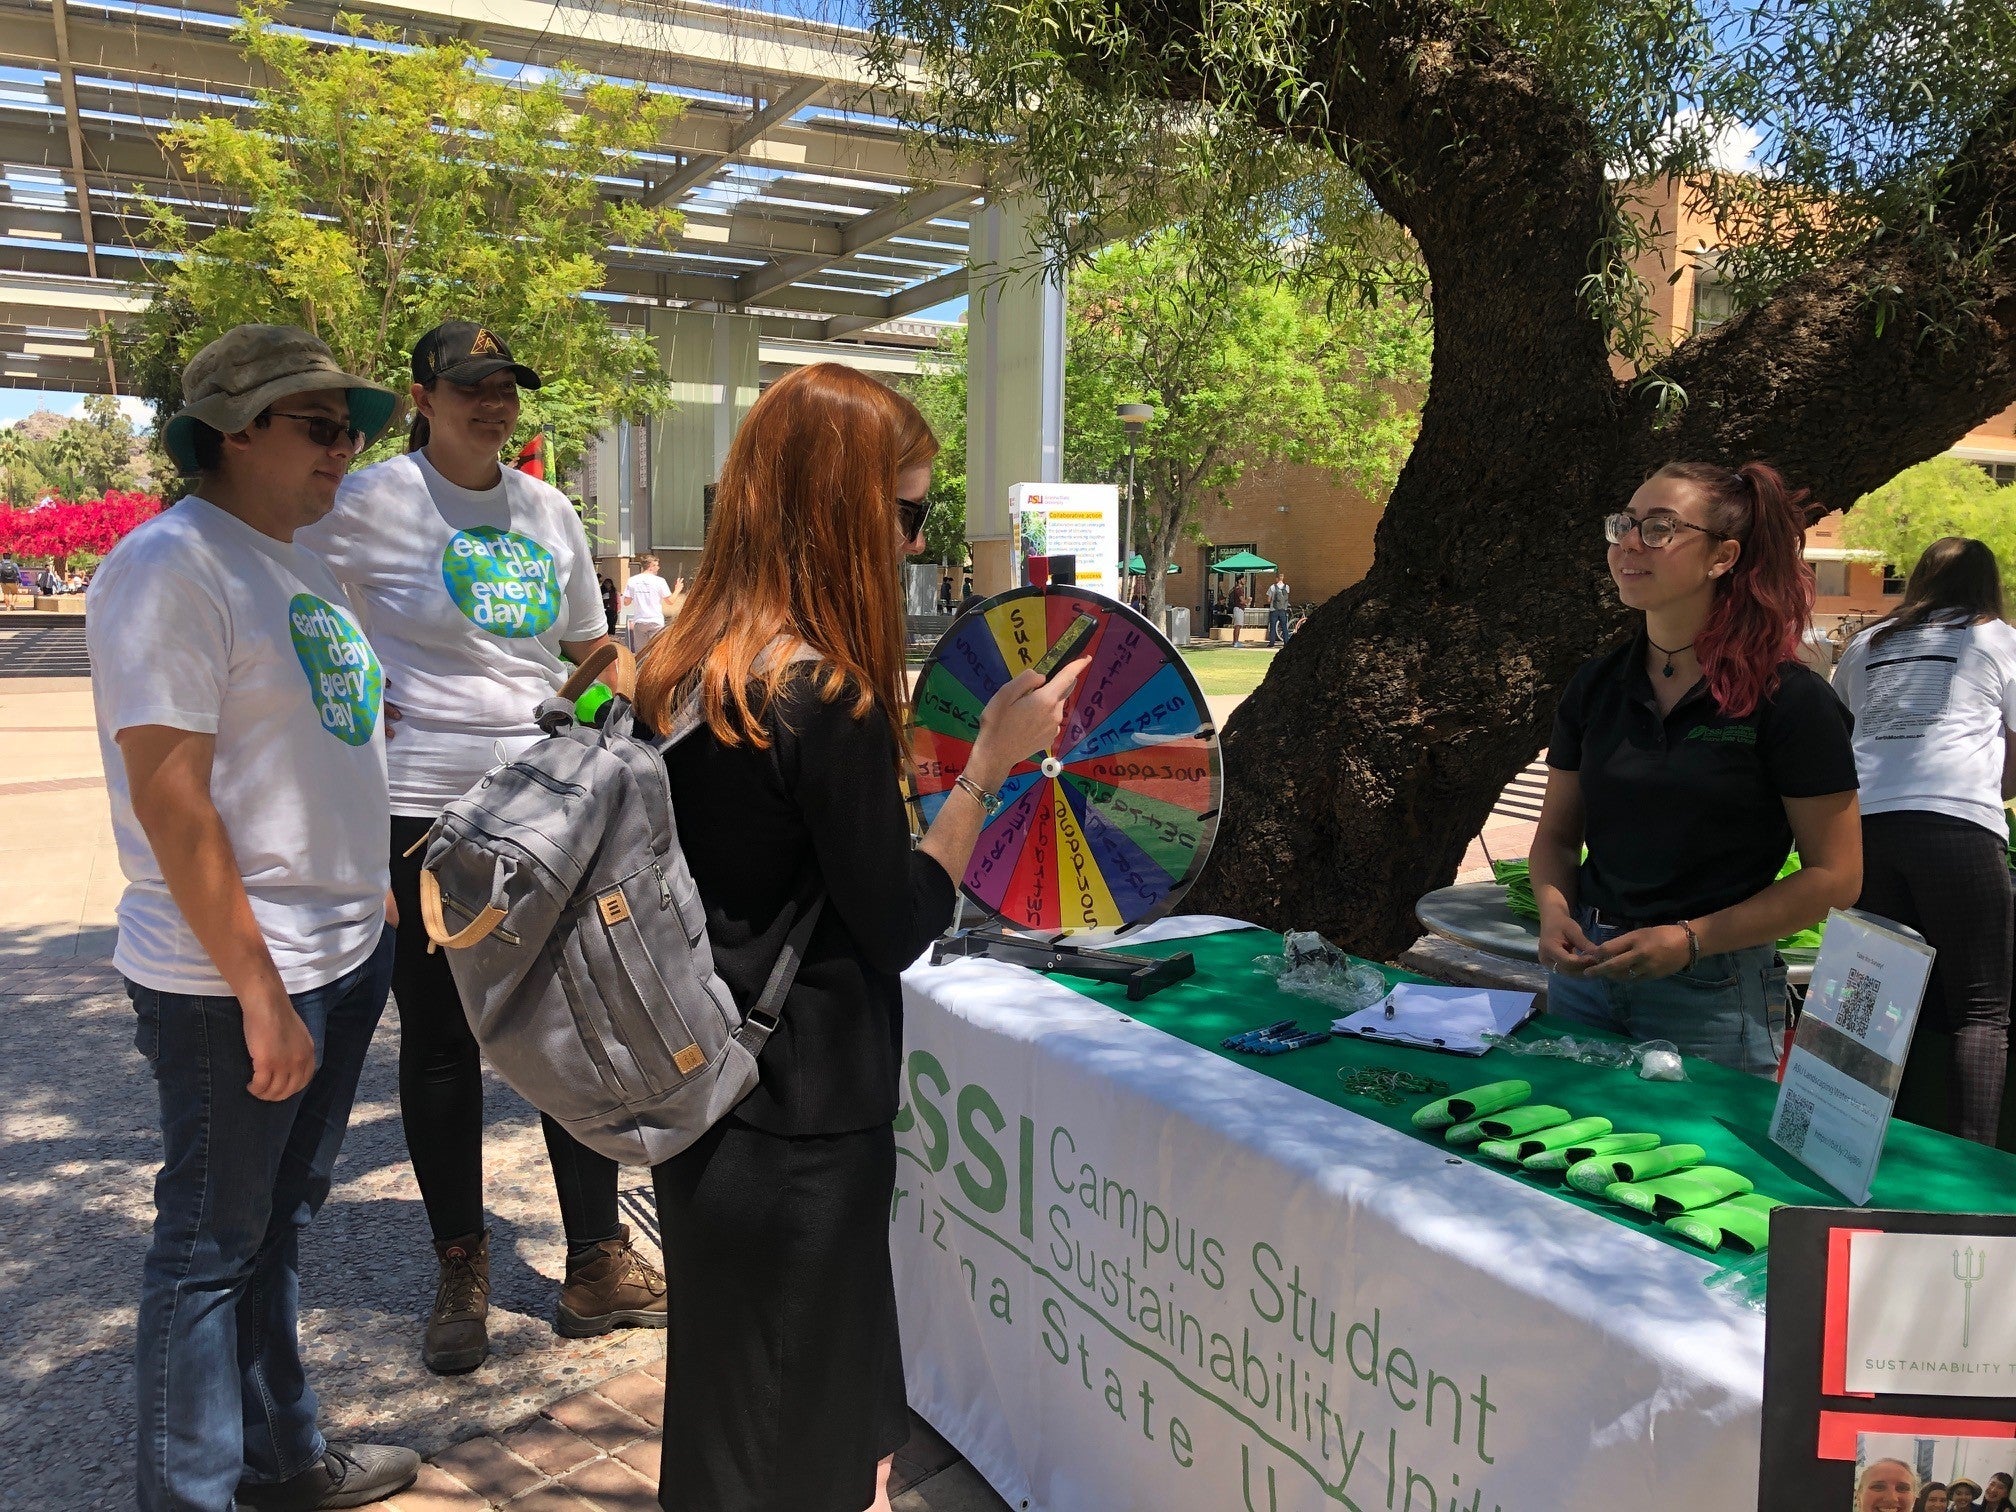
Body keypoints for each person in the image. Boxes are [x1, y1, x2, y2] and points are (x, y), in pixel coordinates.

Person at [634, 362, 1088, 1512]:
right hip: (803, 1122)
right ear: (840, 509)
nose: (915, 540)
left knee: (728, 1419)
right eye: (908, 511)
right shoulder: (821, 696)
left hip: (705, 1095)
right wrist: (987, 767)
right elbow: (898, 922)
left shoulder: (688, 668)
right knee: (800, 1444)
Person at [89, 325, 420, 1510]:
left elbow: (321, 742)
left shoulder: (298, 561)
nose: (348, 452)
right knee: (207, 1252)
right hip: (237, 978)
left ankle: (284, 1459)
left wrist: (360, 888)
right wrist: (261, 990)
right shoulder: (170, 565)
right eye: (321, 427)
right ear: (233, 431)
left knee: (275, 1227)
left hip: (337, 949)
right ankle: (189, 1495)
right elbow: (173, 801)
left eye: (356, 430)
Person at [297, 321, 661, 1375]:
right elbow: (307, 619)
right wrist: (360, 707)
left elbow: (596, 650)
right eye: (471, 386)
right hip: (421, 811)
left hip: (546, 808)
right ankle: (462, 1264)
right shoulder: (368, 504)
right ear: (422, 395)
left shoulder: (547, 510)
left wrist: (583, 715)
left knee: (573, 1025)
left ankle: (596, 1262)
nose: (493, 403)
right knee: (446, 1041)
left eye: (506, 387)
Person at [1531, 462, 1862, 1076]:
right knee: (1556, 1154)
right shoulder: (1596, 685)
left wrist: (1690, 940)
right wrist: (1556, 914)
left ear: (1722, 557)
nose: (1629, 543)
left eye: (1659, 529)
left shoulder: (1789, 700)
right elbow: (1555, 837)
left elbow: (1836, 877)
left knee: (1699, 1169)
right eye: (1624, 525)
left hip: (1712, 993)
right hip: (1584, 979)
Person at [1833, 537, 2016, 1146]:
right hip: (1957, 829)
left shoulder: (1866, 644)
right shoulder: (1998, 639)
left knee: (1873, 1002)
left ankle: (1848, 1145)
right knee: (1980, 1010)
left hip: (1865, 832)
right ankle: (1970, 1169)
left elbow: (1841, 735)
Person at [623, 553, 672, 652]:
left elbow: (626, 602)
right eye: (657, 565)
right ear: (651, 566)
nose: (658, 568)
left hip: (640, 620)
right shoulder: (660, 581)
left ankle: (641, 667)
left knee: (641, 652)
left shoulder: (632, 580)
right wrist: (678, 589)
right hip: (655, 620)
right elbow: (670, 601)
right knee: (655, 651)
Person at [1266, 574, 1292, 645]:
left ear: (1276, 578)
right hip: (1283, 609)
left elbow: (1268, 600)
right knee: (1284, 626)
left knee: (1273, 627)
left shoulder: (1272, 587)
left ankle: (1272, 643)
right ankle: (1286, 642)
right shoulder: (1287, 587)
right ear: (1283, 578)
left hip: (1273, 609)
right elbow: (1286, 598)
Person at [599, 573, 618, 637]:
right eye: (606, 583)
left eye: (609, 583)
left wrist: (617, 609)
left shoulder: (614, 592)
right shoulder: (602, 591)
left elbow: (616, 601)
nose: (607, 585)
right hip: (604, 610)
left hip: (612, 610)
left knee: (612, 625)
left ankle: (611, 636)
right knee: (605, 625)